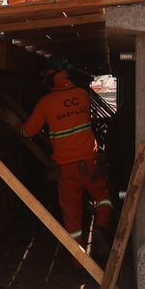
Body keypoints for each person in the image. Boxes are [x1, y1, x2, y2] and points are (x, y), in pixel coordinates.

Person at [23, 69, 113, 243]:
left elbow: (29, 131)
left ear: (50, 79)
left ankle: (78, 262)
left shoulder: (45, 103)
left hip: (66, 168)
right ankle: (102, 226)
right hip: (90, 161)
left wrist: (17, 125)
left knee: (72, 214)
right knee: (103, 198)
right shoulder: (82, 95)